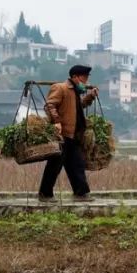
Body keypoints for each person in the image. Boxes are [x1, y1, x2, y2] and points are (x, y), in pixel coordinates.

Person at [39, 65, 99, 202]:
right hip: (62, 134)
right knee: (54, 165)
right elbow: (50, 105)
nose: (86, 82)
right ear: (75, 77)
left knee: (76, 165)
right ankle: (45, 194)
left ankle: (81, 193)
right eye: (84, 78)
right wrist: (56, 121)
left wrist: (90, 97)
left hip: (74, 135)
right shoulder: (60, 88)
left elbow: (78, 107)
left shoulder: (75, 92)